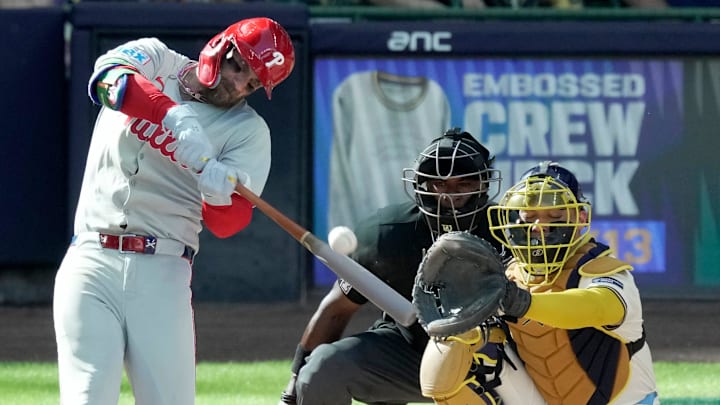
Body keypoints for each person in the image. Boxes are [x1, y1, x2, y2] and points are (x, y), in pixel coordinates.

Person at [52, 17, 294, 405]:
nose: (238, 85)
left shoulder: (248, 131)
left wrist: (216, 191)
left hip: (162, 269)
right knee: (87, 397)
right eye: (239, 67)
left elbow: (229, 223)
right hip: (91, 261)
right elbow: (105, 81)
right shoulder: (156, 58)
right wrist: (171, 114)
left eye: (251, 83)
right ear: (222, 46)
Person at [278, 128, 503, 405]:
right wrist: (292, 388)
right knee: (325, 367)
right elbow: (336, 310)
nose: (449, 196)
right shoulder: (388, 234)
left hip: (499, 361)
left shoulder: (511, 233)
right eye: (439, 184)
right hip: (412, 354)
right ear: (421, 184)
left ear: (483, 185)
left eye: (464, 185)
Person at [418, 161, 659, 404]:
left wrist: (521, 302)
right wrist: (458, 325)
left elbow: (599, 306)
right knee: (469, 349)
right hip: (544, 398)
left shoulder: (604, 270)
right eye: (529, 216)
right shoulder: (509, 276)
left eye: (554, 216)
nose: (539, 227)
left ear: (581, 217)